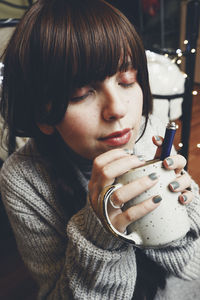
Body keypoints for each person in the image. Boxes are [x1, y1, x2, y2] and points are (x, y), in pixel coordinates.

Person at [0, 0, 200, 299]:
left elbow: (188, 264)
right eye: (82, 94)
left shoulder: (151, 130)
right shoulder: (23, 179)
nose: (118, 109)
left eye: (127, 80)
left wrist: (182, 206)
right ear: (44, 114)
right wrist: (100, 234)